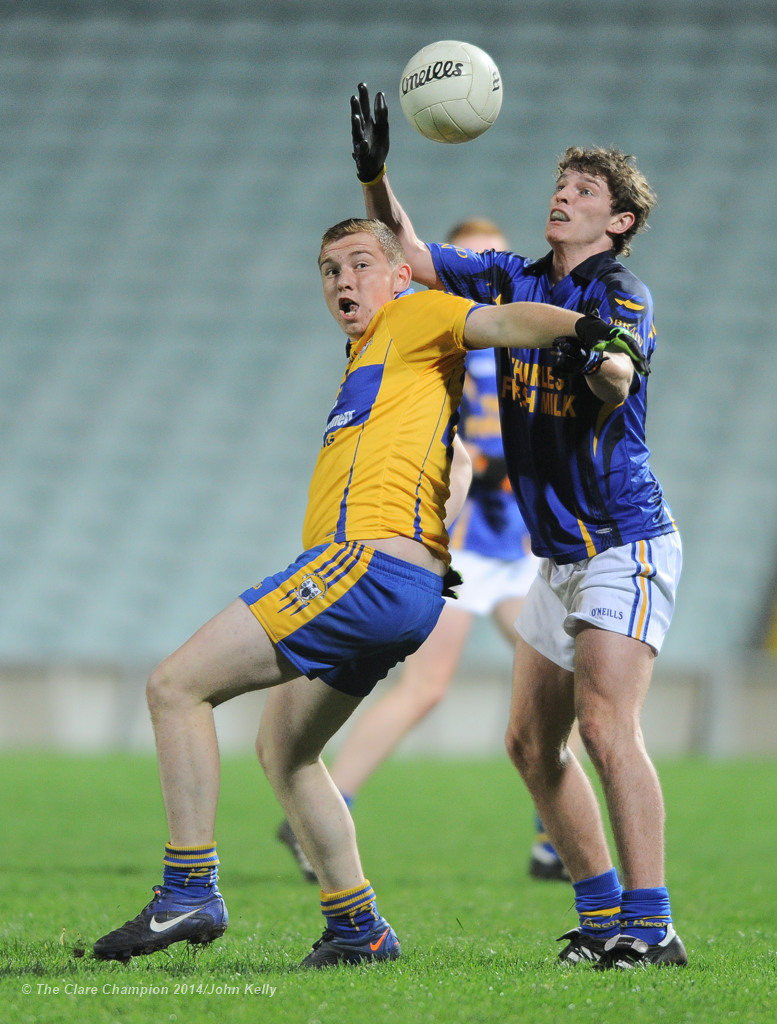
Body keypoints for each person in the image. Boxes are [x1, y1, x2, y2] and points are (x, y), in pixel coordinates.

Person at [91, 217, 629, 968]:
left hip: (366, 570)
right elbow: (456, 455)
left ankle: (188, 890)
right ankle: (358, 929)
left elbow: (507, 320)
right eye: (328, 270)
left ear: (400, 274)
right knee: (284, 751)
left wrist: (591, 330)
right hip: (394, 586)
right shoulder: (372, 355)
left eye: (359, 265)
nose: (342, 281)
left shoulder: (416, 315)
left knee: (174, 687)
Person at [348, 84, 686, 970]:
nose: (562, 194)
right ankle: (602, 913)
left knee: (608, 732)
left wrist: (591, 354)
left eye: (582, 190)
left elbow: (616, 381)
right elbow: (414, 256)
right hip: (554, 557)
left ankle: (652, 929)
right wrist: (376, 178)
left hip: (623, 543)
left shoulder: (621, 291)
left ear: (613, 222)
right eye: (560, 182)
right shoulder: (516, 278)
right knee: (531, 746)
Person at [276, 217, 570, 885]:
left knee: (556, 679)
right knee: (426, 687)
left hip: (516, 544)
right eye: (470, 259)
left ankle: (552, 836)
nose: (485, 271)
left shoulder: (510, 344)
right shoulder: (441, 331)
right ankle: (321, 808)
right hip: (457, 538)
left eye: (493, 259)